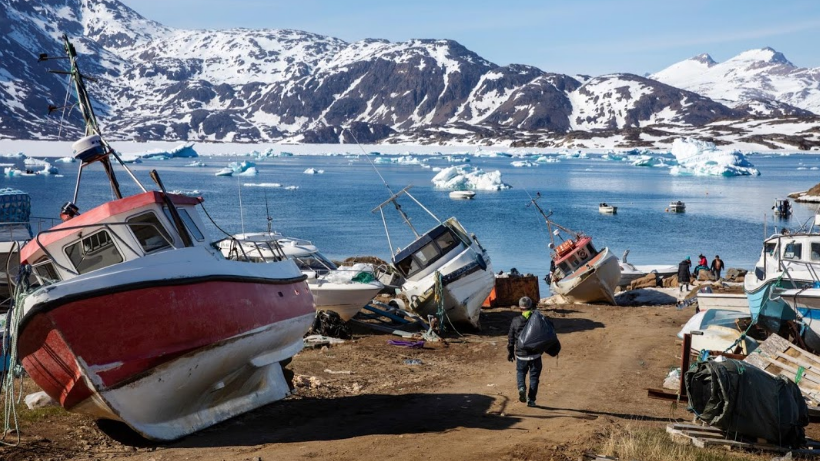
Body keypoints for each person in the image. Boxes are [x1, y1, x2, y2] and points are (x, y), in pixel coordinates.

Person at [507, 296, 543, 407]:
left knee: (521, 373)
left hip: (521, 355)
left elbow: (511, 338)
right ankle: (531, 400)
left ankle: (521, 387)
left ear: (520, 307)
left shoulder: (515, 321)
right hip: (535, 355)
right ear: (531, 306)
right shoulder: (537, 319)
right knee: (534, 378)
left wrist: (511, 352)